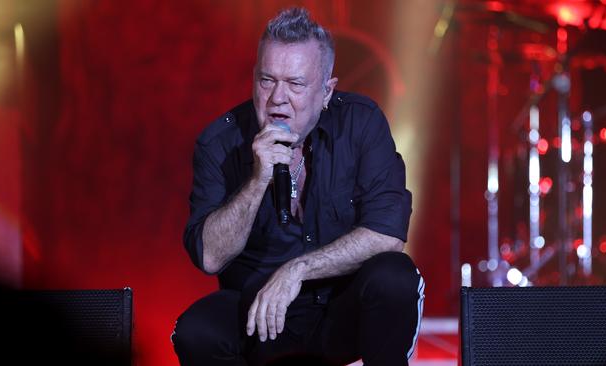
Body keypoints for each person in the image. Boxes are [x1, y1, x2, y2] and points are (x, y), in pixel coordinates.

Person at [172, 7, 424, 366]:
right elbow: (210, 257)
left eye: (296, 84)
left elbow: (388, 234)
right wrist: (257, 178)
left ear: (326, 91)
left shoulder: (360, 123)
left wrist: (297, 270)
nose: (277, 97)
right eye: (267, 80)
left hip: (340, 308)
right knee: (196, 331)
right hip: (261, 314)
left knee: (395, 278)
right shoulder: (220, 142)